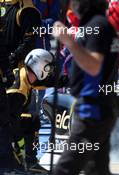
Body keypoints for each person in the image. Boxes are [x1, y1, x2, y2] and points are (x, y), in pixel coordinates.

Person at [52, 0, 119, 174]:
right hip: (100, 110)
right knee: (97, 171)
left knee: (63, 170)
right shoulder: (98, 25)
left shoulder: (97, 25)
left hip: (93, 113)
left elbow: (94, 65)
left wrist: (68, 41)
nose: (70, 5)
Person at [0, 0, 41, 170]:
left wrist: (9, 60)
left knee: (27, 117)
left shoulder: (26, 9)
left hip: (20, 71)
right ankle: (14, 161)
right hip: (6, 71)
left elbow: (29, 42)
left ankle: (29, 159)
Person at [6, 49, 59, 174]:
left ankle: (29, 160)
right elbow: (11, 124)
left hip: (7, 119)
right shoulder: (17, 91)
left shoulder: (24, 74)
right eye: (48, 68)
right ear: (39, 67)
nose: (50, 72)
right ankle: (22, 161)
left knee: (32, 118)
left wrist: (67, 80)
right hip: (5, 125)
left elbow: (45, 82)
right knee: (29, 120)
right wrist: (20, 151)